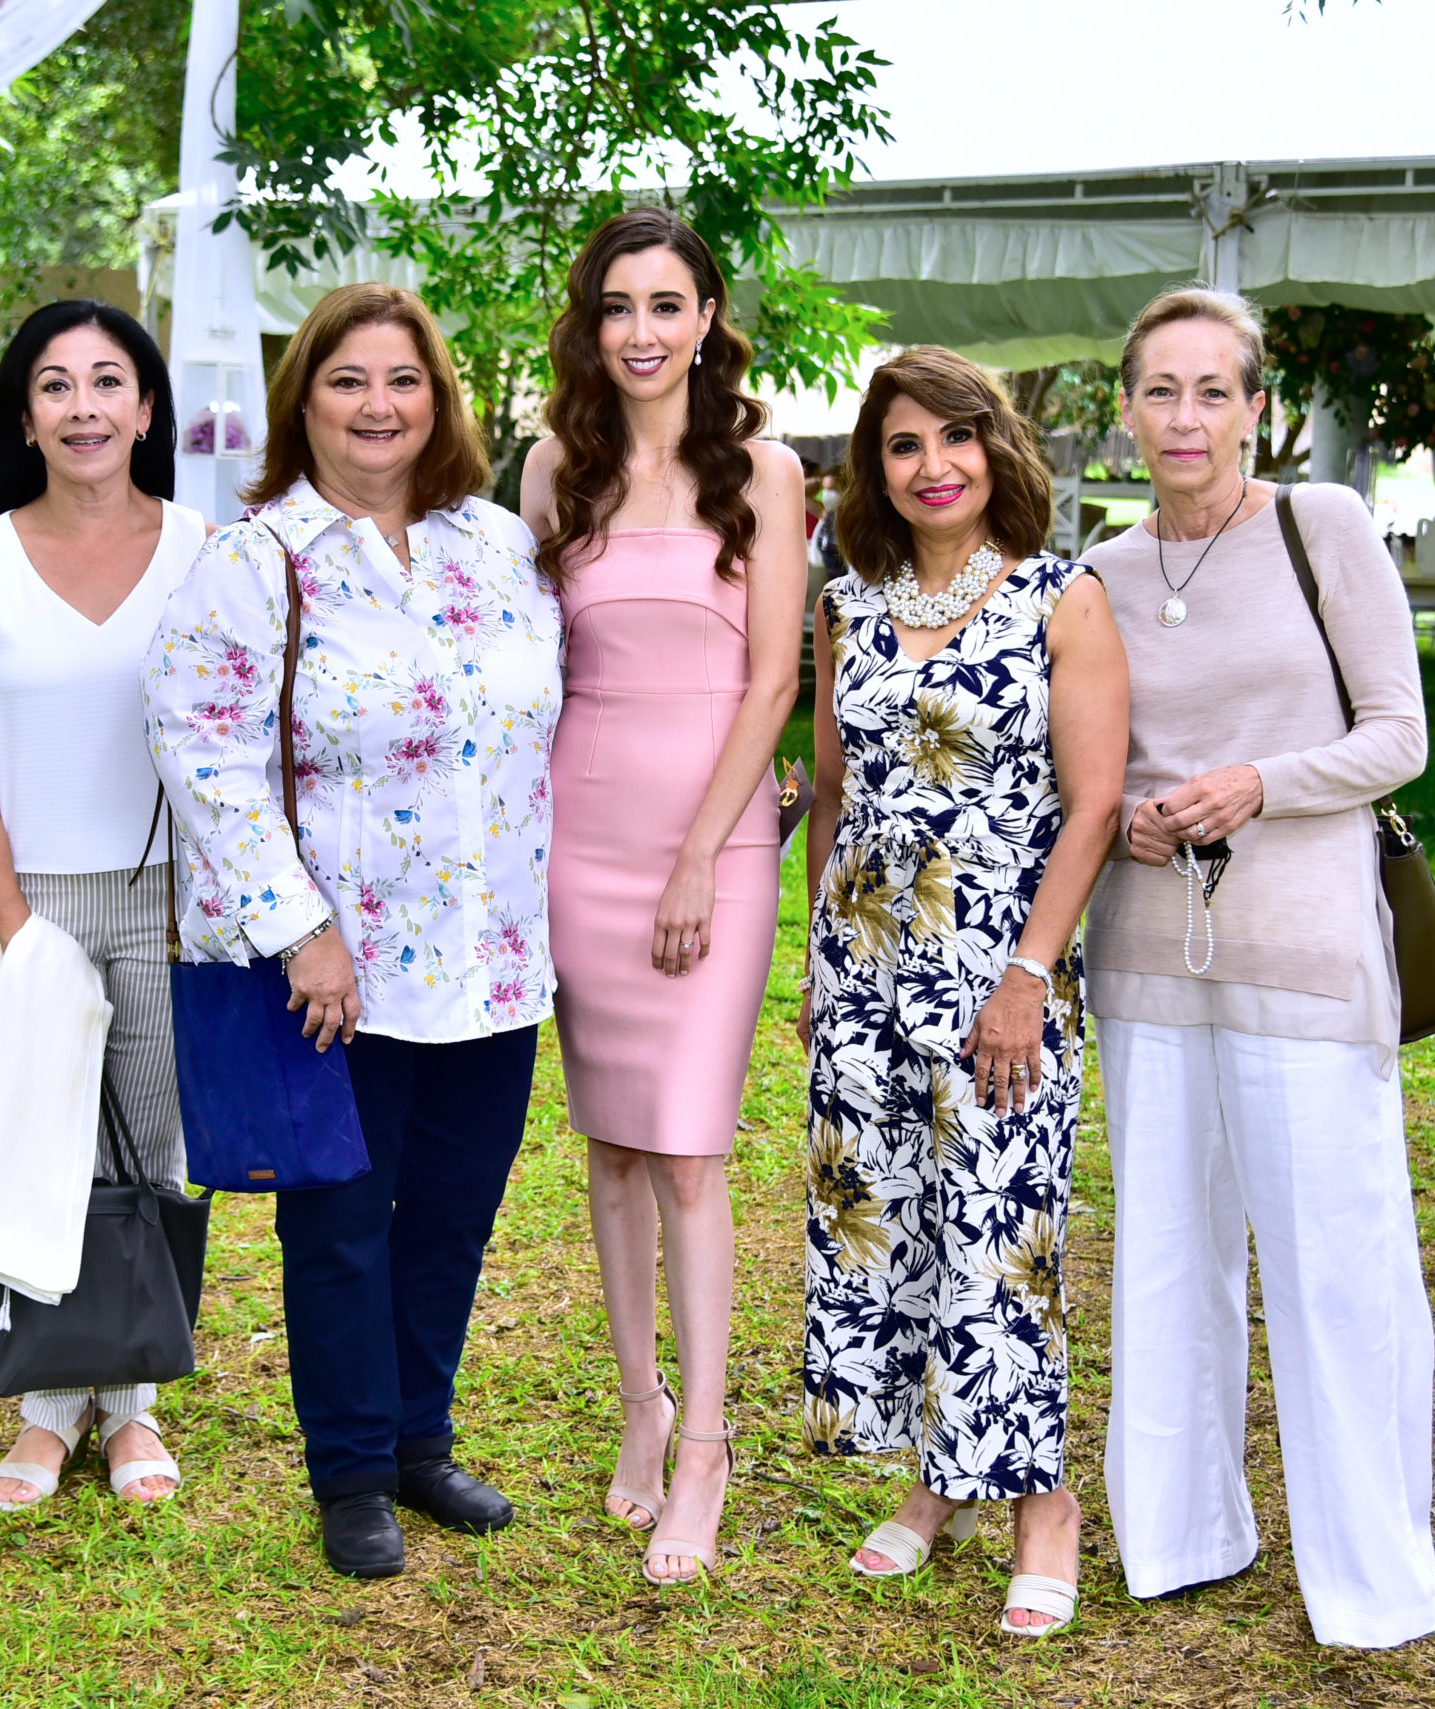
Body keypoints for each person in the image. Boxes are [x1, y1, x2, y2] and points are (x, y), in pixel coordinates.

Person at [147, 283, 563, 1579]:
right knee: (338, 1226)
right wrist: (299, 929)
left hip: (492, 961)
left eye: (403, 381)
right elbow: (204, 752)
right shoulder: (258, 558)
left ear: (438, 398)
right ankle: (348, 1474)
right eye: (348, 381)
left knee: (450, 1216)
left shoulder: (498, 545)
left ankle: (419, 1443)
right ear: (304, 400)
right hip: (340, 970)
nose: (379, 407)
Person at [1081, 287, 1435, 1648]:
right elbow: (1084, 773)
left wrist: (1257, 784)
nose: (1184, 417)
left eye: (1211, 391)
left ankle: (1372, 1581)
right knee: (1166, 1254)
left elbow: (1396, 734)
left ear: (1255, 407)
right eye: (1159, 390)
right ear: (1125, 407)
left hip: (1302, 947)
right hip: (1147, 950)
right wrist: (1124, 815)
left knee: (1335, 1262)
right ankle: (1179, 1536)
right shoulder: (1101, 571)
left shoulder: (1319, 529)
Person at [801, 347, 1126, 1636]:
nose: (931, 466)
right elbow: (834, 787)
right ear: (874, 469)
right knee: (891, 1230)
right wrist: (818, 967)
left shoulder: (1066, 598)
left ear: (998, 448)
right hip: (865, 962)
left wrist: (1028, 978)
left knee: (1002, 1237)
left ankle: (1043, 1505)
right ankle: (937, 1485)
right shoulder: (850, 600)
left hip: (1003, 966)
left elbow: (1093, 802)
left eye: (955, 438)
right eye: (901, 445)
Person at [518, 207, 805, 1586]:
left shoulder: (765, 469)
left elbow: (774, 681)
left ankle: (708, 1449)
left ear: (707, 319)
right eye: (619, 305)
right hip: (579, 828)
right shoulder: (550, 469)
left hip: (716, 839)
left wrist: (700, 852)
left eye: (668, 303)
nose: (642, 330)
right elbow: (526, 669)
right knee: (613, 1147)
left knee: (690, 1147)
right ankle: (642, 1409)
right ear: (593, 322)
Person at [0, 300, 206, 1510]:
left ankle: (130, 1406)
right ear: (25, 416)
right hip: (24, 893)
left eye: (107, 383)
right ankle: (47, 1410)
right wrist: (17, 920)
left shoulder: (209, 551)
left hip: (170, 901)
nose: (83, 406)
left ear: (146, 408)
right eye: (55, 385)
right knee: (41, 1149)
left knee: (151, 1149)